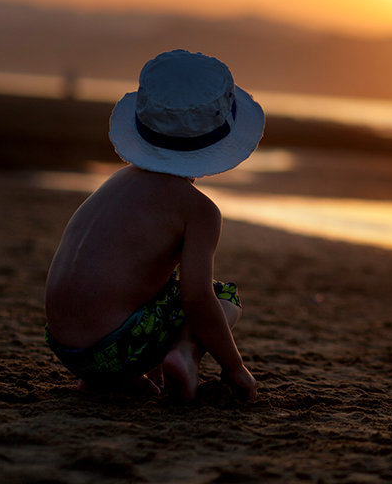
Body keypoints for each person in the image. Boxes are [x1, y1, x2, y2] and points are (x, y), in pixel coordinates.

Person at [44, 49, 264, 400]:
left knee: (161, 289)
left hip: (65, 346)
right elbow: (196, 297)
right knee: (224, 295)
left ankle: (112, 380)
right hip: (114, 346)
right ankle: (185, 355)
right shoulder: (199, 210)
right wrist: (234, 367)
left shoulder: (116, 182)